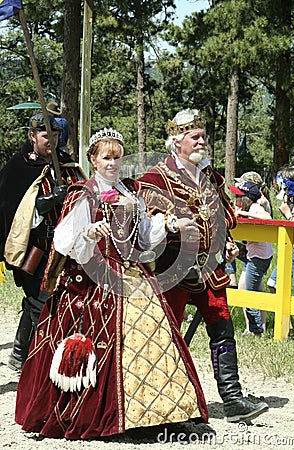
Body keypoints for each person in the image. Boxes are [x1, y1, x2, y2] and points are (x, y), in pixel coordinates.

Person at [15, 128, 208, 439]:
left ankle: (157, 411)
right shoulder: (83, 193)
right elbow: (65, 241)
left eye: (118, 157)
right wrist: (89, 233)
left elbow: (144, 234)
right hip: (92, 280)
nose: (113, 163)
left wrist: (171, 223)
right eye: (107, 157)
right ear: (93, 159)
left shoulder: (130, 192)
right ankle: (103, 413)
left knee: (155, 333)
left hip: (132, 273)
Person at [138, 108, 269, 423]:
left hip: (210, 269)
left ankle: (233, 398)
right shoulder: (157, 177)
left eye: (203, 137)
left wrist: (224, 240)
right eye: (195, 137)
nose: (202, 142)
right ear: (177, 140)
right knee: (167, 335)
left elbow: (224, 213)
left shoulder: (210, 175)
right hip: (173, 269)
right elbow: (149, 222)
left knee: (223, 329)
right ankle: (169, 404)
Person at [0, 112, 84, 371]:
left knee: (52, 300)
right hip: (35, 247)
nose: (52, 140)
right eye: (46, 135)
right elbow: (10, 207)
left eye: (56, 135)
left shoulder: (67, 164)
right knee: (41, 301)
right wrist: (46, 202)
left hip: (65, 249)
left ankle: (26, 352)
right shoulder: (20, 166)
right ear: (32, 136)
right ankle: (30, 359)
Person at [229, 181, 273, 336]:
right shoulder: (246, 208)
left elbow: (268, 218)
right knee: (244, 289)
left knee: (250, 294)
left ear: (246, 198)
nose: (235, 199)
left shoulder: (255, 208)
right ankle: (253, 328)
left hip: (258, 257)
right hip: (252, 254)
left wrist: (245, 214)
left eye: (237, 196)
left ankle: (256, 331)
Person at [267, 165, 294, 337]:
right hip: (291, 251)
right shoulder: (293, 200)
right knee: (273, 283)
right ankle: (289, 327)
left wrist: (287, 214)